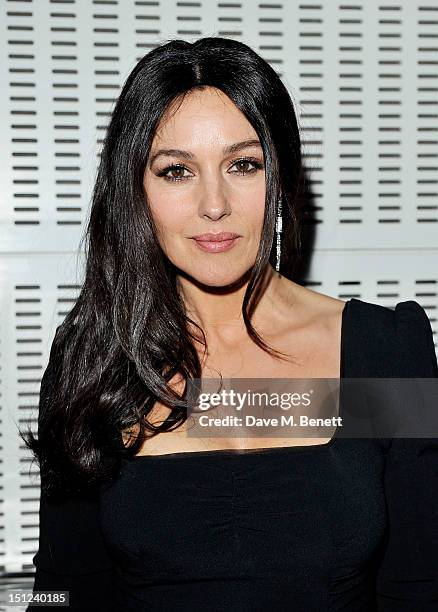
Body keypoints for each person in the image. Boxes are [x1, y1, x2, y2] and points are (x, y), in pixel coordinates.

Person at [23, 37, 438, 611]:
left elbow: (421, 585)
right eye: (176, 171)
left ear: (281, 177)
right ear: (136, 191)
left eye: (243, 165)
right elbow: (61, 591)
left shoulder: (386, 353)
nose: (213, 204)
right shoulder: (95, 359)